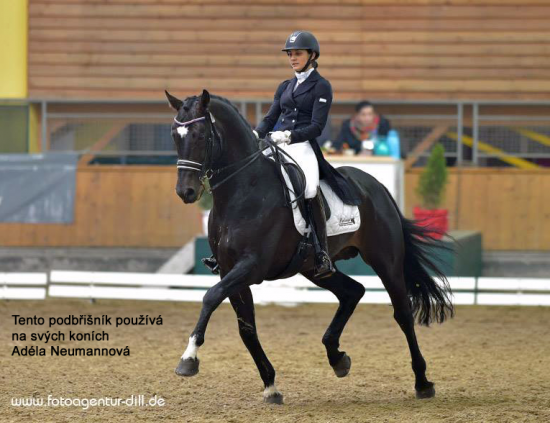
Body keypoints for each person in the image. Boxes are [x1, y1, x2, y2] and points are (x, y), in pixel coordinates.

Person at [203, 31, 361, 279]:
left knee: (309, 188)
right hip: (276, 143)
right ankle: (222, 248)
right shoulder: (285, 86)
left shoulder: (321, 86)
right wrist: (257, 135)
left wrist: (288, 136)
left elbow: (317, 127)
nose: (292, 58)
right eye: (290, 53)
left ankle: (320, 252)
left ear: (312, 55)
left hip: (302, 145)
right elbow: (271, 117)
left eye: (297, 53)